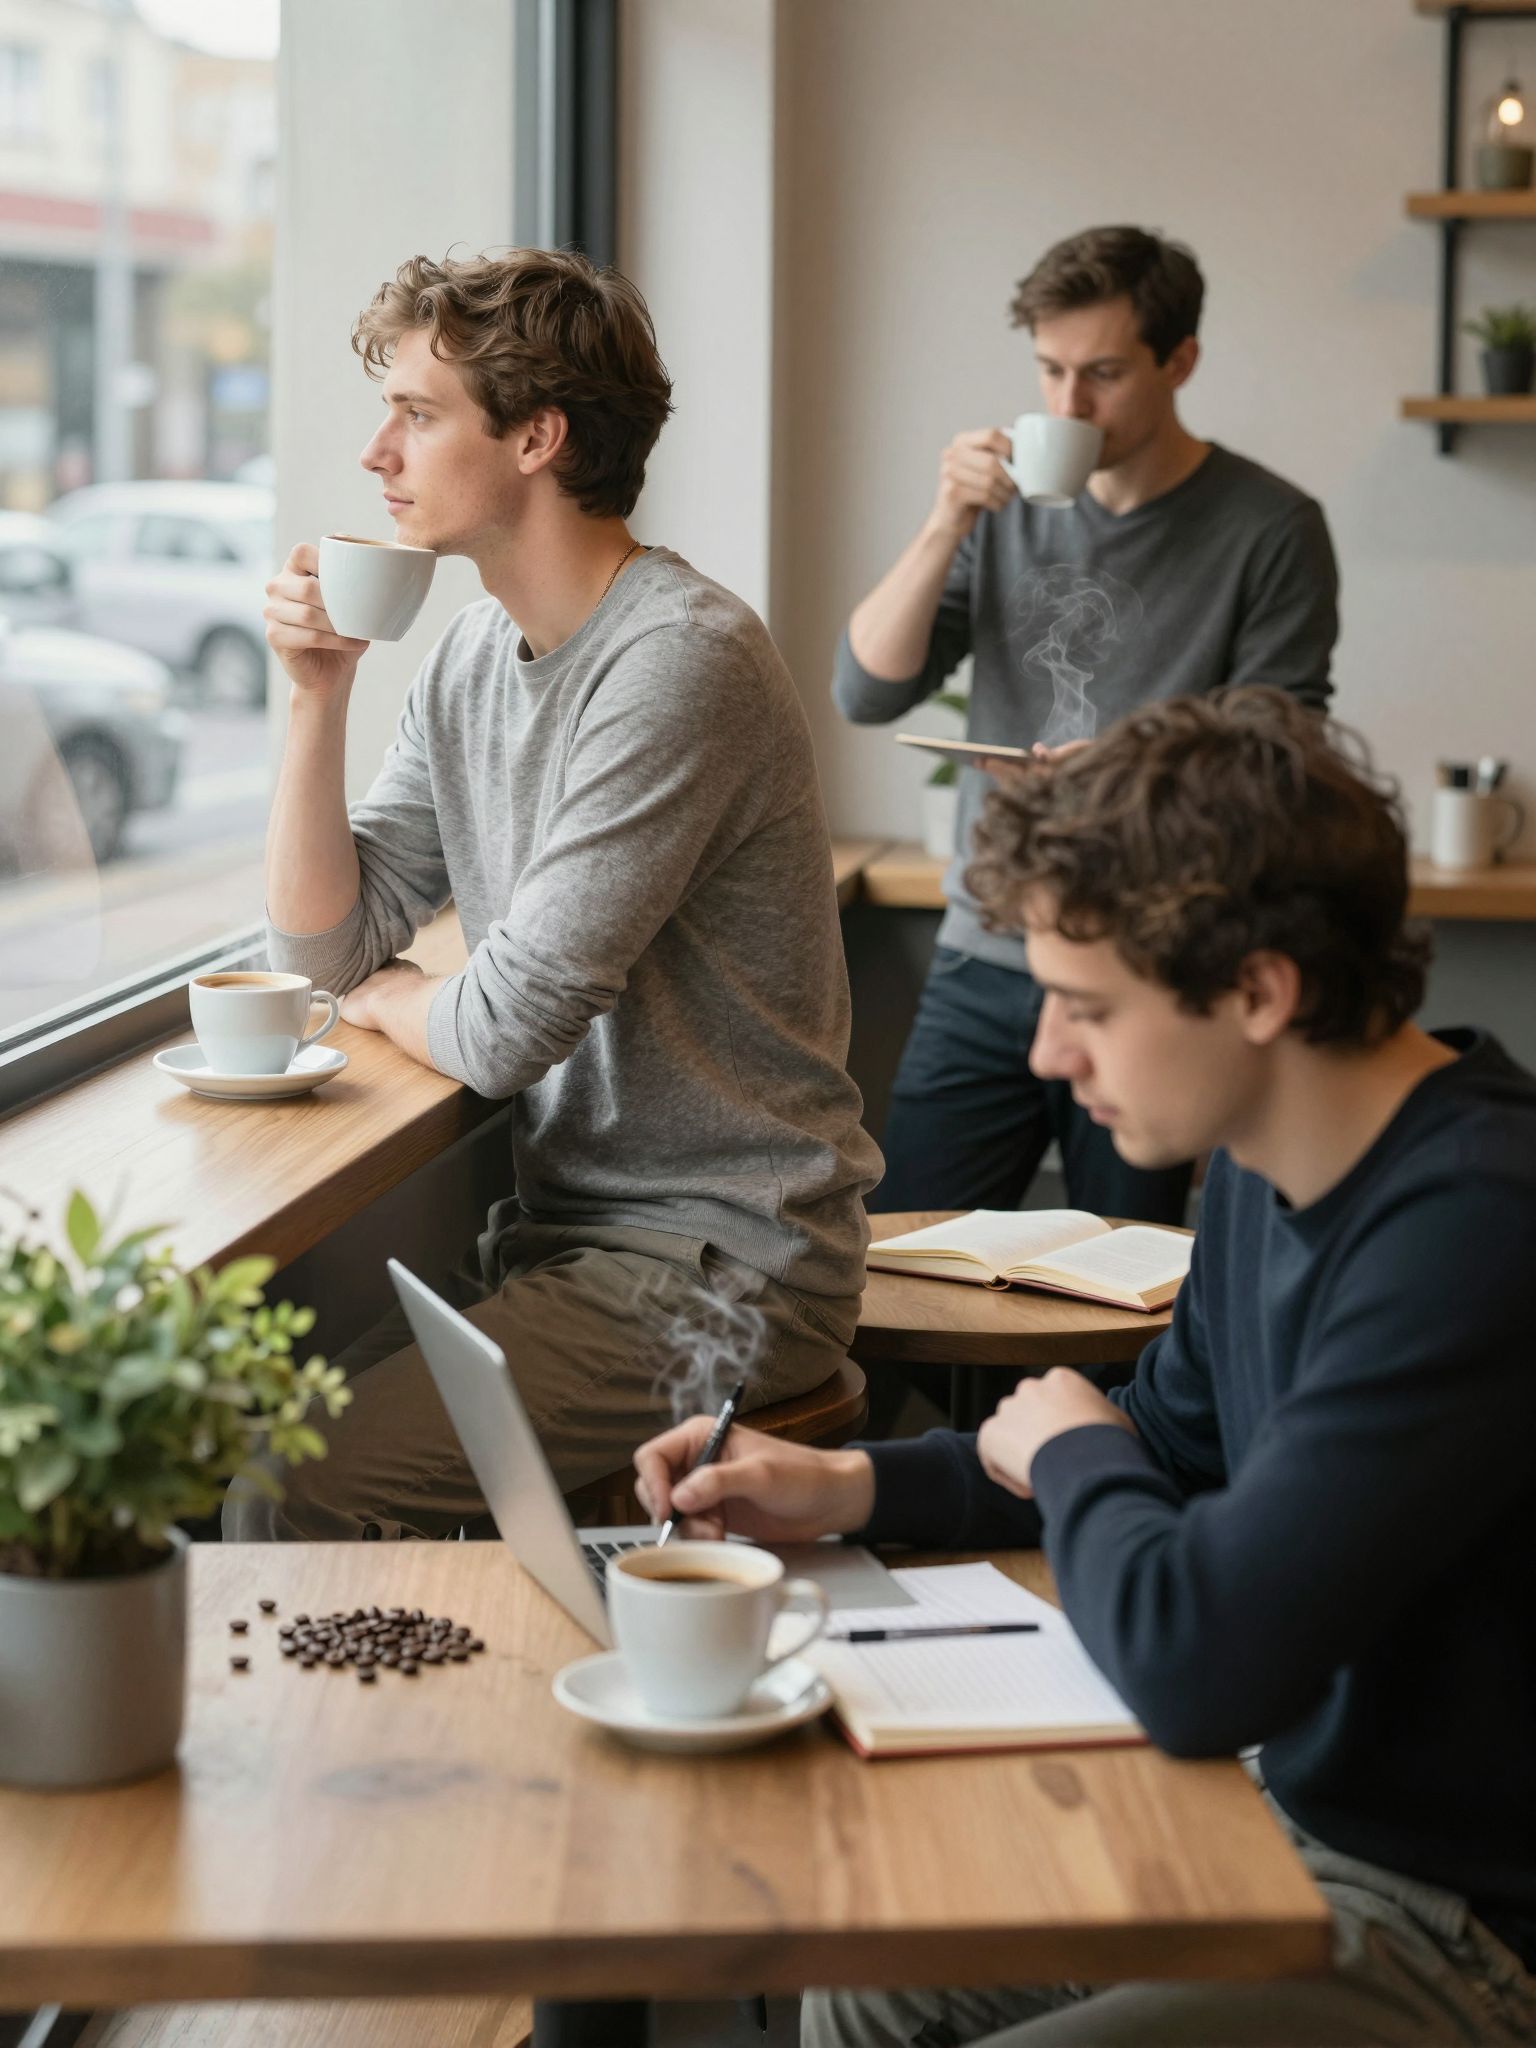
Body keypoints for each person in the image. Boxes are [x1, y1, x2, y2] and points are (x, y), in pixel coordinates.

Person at [635, 687, 1536, 2047]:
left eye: (1086, 1007)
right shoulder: (1264, 1165)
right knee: (877, 1971)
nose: (1048, 1054)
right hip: (1291, 1815)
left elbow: (1196, 1658)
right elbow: (1164, 1448)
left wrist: (1073, 1450)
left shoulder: (1475, 1227)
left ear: (1258, 991)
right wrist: (846, 1488)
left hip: (1460, 1923)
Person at [225, 248, 881, 1540]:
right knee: (259, 1462)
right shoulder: (474, 654)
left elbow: (498, 1032)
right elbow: (319, 955)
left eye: (417, 414)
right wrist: (316, 697)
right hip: (571, 1245)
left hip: (727, 1271)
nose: (376, 452)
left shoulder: (679, 662)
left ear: (538, 437)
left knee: (290, 1494)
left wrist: (388, 1001)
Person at [836, 225, 1339, 1227]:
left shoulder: (1271, 527)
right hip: (988, 948)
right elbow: (867, 690)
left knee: (1125, 1274)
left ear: (1179, 361)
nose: (1068, 405)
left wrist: (1132, 772)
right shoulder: (1003, 511)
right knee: (905, 1252)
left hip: (1157, 970)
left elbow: (1282, 765)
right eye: (1050, 370)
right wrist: (945, 523)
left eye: (1103, 374)